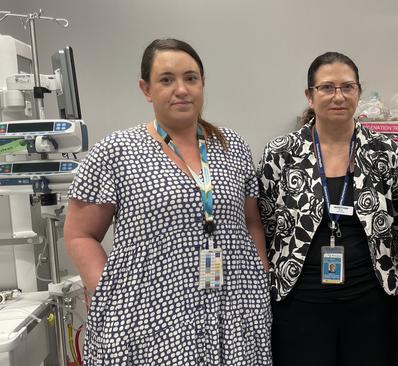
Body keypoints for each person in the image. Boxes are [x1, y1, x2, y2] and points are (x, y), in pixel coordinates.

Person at [63, 38, 271, 365]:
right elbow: (79, 234)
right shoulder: (116, 152)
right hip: (150, 315)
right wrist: (108, 294)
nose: (181, 89)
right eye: (166, 79)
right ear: (146, 89)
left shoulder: (232, 146)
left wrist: (260, 276)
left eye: (191, 78)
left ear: (202, 84)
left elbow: (252, 222)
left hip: (232, 310)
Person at [258, 51, 398, 366]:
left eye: (347, 87)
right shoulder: (281, 153)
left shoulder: (385, 151)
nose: (338, 96)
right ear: (309, 96)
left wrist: (395, 278)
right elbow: (267, 219)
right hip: (300, 297)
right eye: (326, 87)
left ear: (358, 92)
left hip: (371, 296)